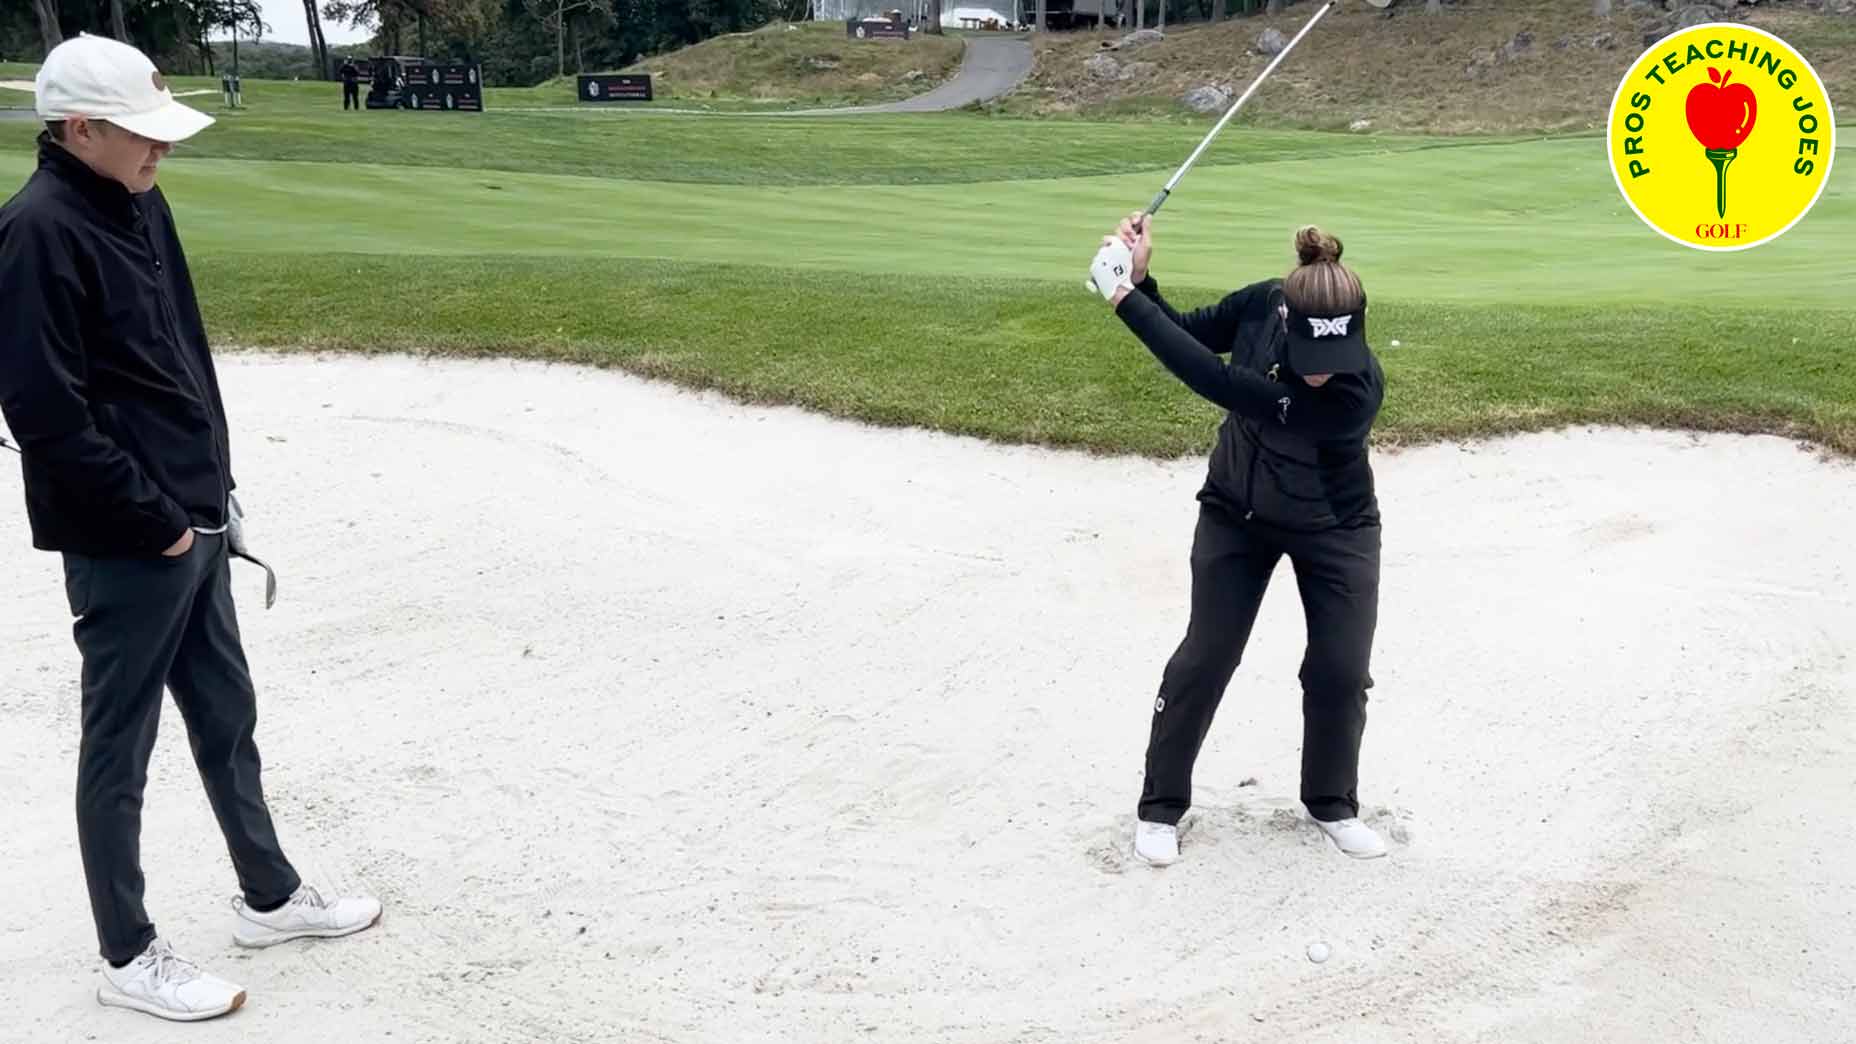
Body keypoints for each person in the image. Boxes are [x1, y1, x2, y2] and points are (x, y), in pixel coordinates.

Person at [0, 34, 381, 1022]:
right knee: (117, 746)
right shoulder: (38, 230)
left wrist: (215, 487)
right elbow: (45, 413)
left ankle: (268, 895)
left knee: (225, 715)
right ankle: (127, 955)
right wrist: (156, 518)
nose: (160, 154)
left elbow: (180, 352)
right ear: (78, 128)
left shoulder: (136, 201)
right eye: (143, 138)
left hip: (194, 513)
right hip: (130, 535)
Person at [1086, 212, 1389, 867]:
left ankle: (1332, 803)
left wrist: (1122, 300)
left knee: (1339, 672)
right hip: (1237, 513)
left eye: (1333, 358)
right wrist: (1143, 282)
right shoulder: (1261, 305)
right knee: (1206, 656)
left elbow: (1217, 382)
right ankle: (1160, 808)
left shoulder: (1355, 393)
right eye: (1312, 358)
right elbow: (1193, 337)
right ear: (1287, 320)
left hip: (1336, 529)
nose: (1321, 373)